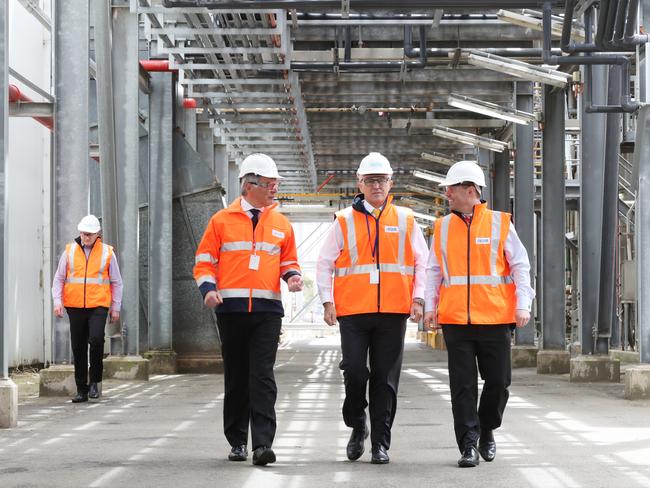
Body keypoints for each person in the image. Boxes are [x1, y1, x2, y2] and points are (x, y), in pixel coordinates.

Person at [316, 152, 428, 464]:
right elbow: (324, 264)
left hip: (393, 310)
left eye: (381, 180)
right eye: (370, 180)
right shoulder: (343, 221)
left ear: (391, 183)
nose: (376, 185)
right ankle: (357, 424)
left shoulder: (406, 219)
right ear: (359, 184)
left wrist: (418, 299)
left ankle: (381, 443)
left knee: (385, 380)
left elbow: (423, 262)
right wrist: (327, 301)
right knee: (354, 371)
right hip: (353, 311)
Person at [193, 153, 303, 466]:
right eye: (269, 184)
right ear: (248, 184)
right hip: (231, 310)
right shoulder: (221, 221)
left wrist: (293, 277)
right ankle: (238, 440)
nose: (274, 189)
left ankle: (263, 444)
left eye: (276, 184)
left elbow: (288, 261)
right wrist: (208, 289)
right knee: (238, 377)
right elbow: (203, 262)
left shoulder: (281, 224)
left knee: (263, 376)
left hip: (268, 311)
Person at [423, 160, 534, 468]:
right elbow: (434, 271)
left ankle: (487, 429)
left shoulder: (500, 223)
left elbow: (520, 266)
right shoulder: (443, 227)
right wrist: (431, 307)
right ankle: (468, 444)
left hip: (496, 318)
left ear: (470, 191)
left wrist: (523, 304)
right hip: (456, 320)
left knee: (498, 382)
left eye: (451, 189)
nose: (447, 194)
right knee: (462, 386)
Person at [52, 214, 123, 403]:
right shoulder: (69, 251)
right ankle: (82, 389)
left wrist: (115, 307)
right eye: (83, 234)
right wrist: (57, 301)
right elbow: (59, 278)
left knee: (97, 339)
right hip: (74, 306)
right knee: (78, 347)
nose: (86, 237)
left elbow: (117, 282)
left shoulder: (108, 252)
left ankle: (95, 382)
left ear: (97, 234)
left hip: (98, 305)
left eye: (90, 234)